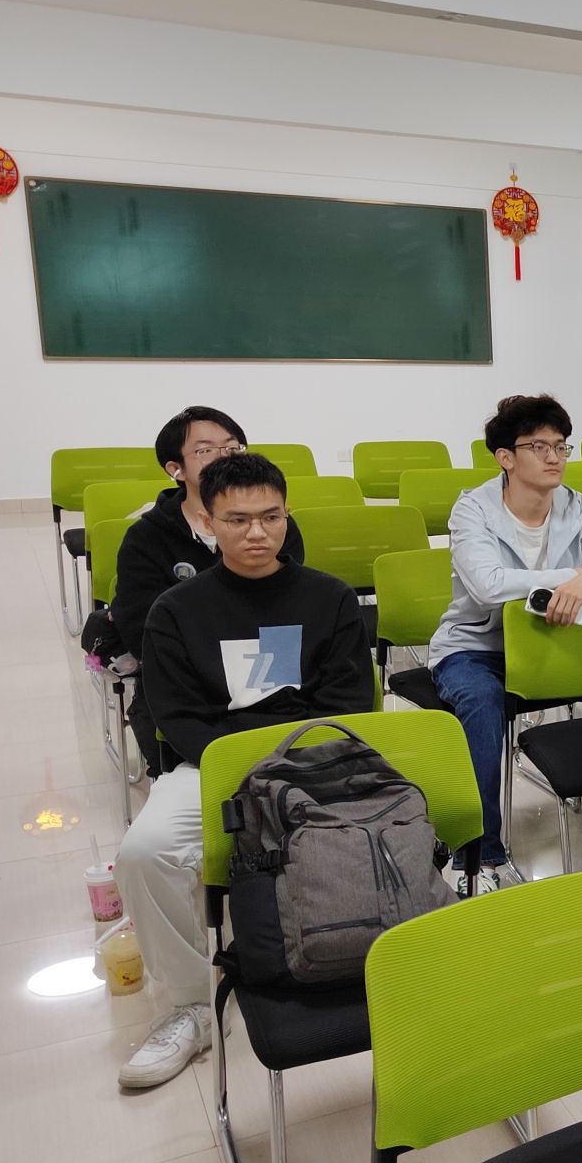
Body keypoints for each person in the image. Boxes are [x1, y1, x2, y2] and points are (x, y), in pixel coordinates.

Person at [114, 453, 373, 1090]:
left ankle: (369, 960)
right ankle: (190, 1007)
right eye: (238, 520)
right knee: (145, 853)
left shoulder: (330, 597)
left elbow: (348, 702)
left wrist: (289, 765)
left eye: (271, 517)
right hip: (213, 764)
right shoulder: (176, 609)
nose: (257, 532)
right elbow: (177, 716)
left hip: (314, 759)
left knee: (389, 826)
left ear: (287, 516)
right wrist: (244, 767)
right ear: (207, 521)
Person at [431, 395, 582, 895]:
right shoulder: (473, 509)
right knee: (481, 703)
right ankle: (479, 854)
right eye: (539, 446)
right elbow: (488, 585)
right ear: (505, 457)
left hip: (551, 642)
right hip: (478, 646)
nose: (555, 457)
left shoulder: (578, 506)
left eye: (561, 446)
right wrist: (574, 576)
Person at [113, 406, 306, 772]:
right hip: (187, 682)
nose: (224, 457)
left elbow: (289, 610)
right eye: (205, 450)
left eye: (232, 448)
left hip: (271, 674)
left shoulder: (276, 528)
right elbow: (144, 630)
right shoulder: (146, 538)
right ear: (176, 469)